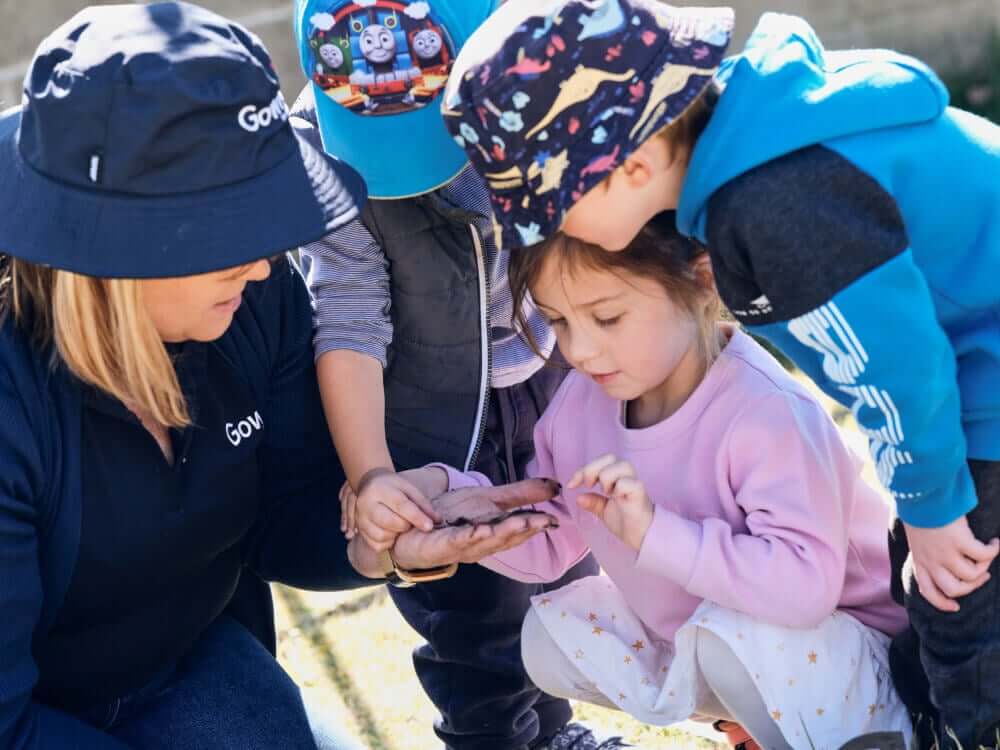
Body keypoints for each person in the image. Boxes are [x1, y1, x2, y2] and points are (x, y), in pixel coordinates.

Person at [439, 2, 1000, 746]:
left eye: (548, 212)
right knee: (934, 603)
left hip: (976, 387)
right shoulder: (749, 151)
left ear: (629, 166)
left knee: (963, 615)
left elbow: (898, 370)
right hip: (971, 382)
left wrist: (930, 509)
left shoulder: (773, 204)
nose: (545, 235)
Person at [0, 3, 548, 748]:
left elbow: (280, 514)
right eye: (232, 229)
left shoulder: (254, 301)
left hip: (186, 665)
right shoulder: (13, 403)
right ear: (115, 242)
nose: (262, 263)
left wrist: (381, 543)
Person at [386, 222, 912, 750]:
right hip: (732, 643)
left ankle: (873, 736)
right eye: (557, 321)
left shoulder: (768, 411)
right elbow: (554, 540)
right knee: (548, 641)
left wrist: (655, 532)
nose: (581, 350)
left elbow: (803, 591)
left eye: (607, 318)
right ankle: (756, 722)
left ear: (703, 282)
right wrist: (465, 513)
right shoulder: (578, 407)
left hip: (867, 653)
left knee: (724, 648)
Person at [291, 2, 609, 748]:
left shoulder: (546, 88)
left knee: (561, 561)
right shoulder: (320, 147)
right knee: (478, 618)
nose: (409, 172)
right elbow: (348, 316)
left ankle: (552, 731)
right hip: (427, 413)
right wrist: (373, 476)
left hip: (545, 369)